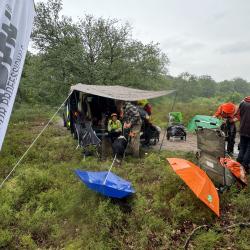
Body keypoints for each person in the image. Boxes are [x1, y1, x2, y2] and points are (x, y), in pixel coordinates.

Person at [237, 97, 250, 174]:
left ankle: (238, 163)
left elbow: (238, 115)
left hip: (242, 129)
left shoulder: (243, 102)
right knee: (249, 149)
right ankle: (245, 166)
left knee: (243, 147)